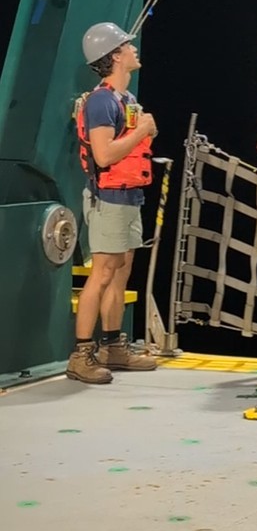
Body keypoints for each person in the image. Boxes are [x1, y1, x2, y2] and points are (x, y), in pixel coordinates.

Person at [67, 22, 160, 384]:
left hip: (128, 194)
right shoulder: (103, 101)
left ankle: (113, 347)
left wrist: (140, 132)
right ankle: (81, 354)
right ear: (116, 56)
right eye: (127, 45)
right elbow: (104, 155)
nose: (134, 49)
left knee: (121, 270)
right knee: (103, 273)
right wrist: (141, 132)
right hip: (109, 196)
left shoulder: (126, 100)